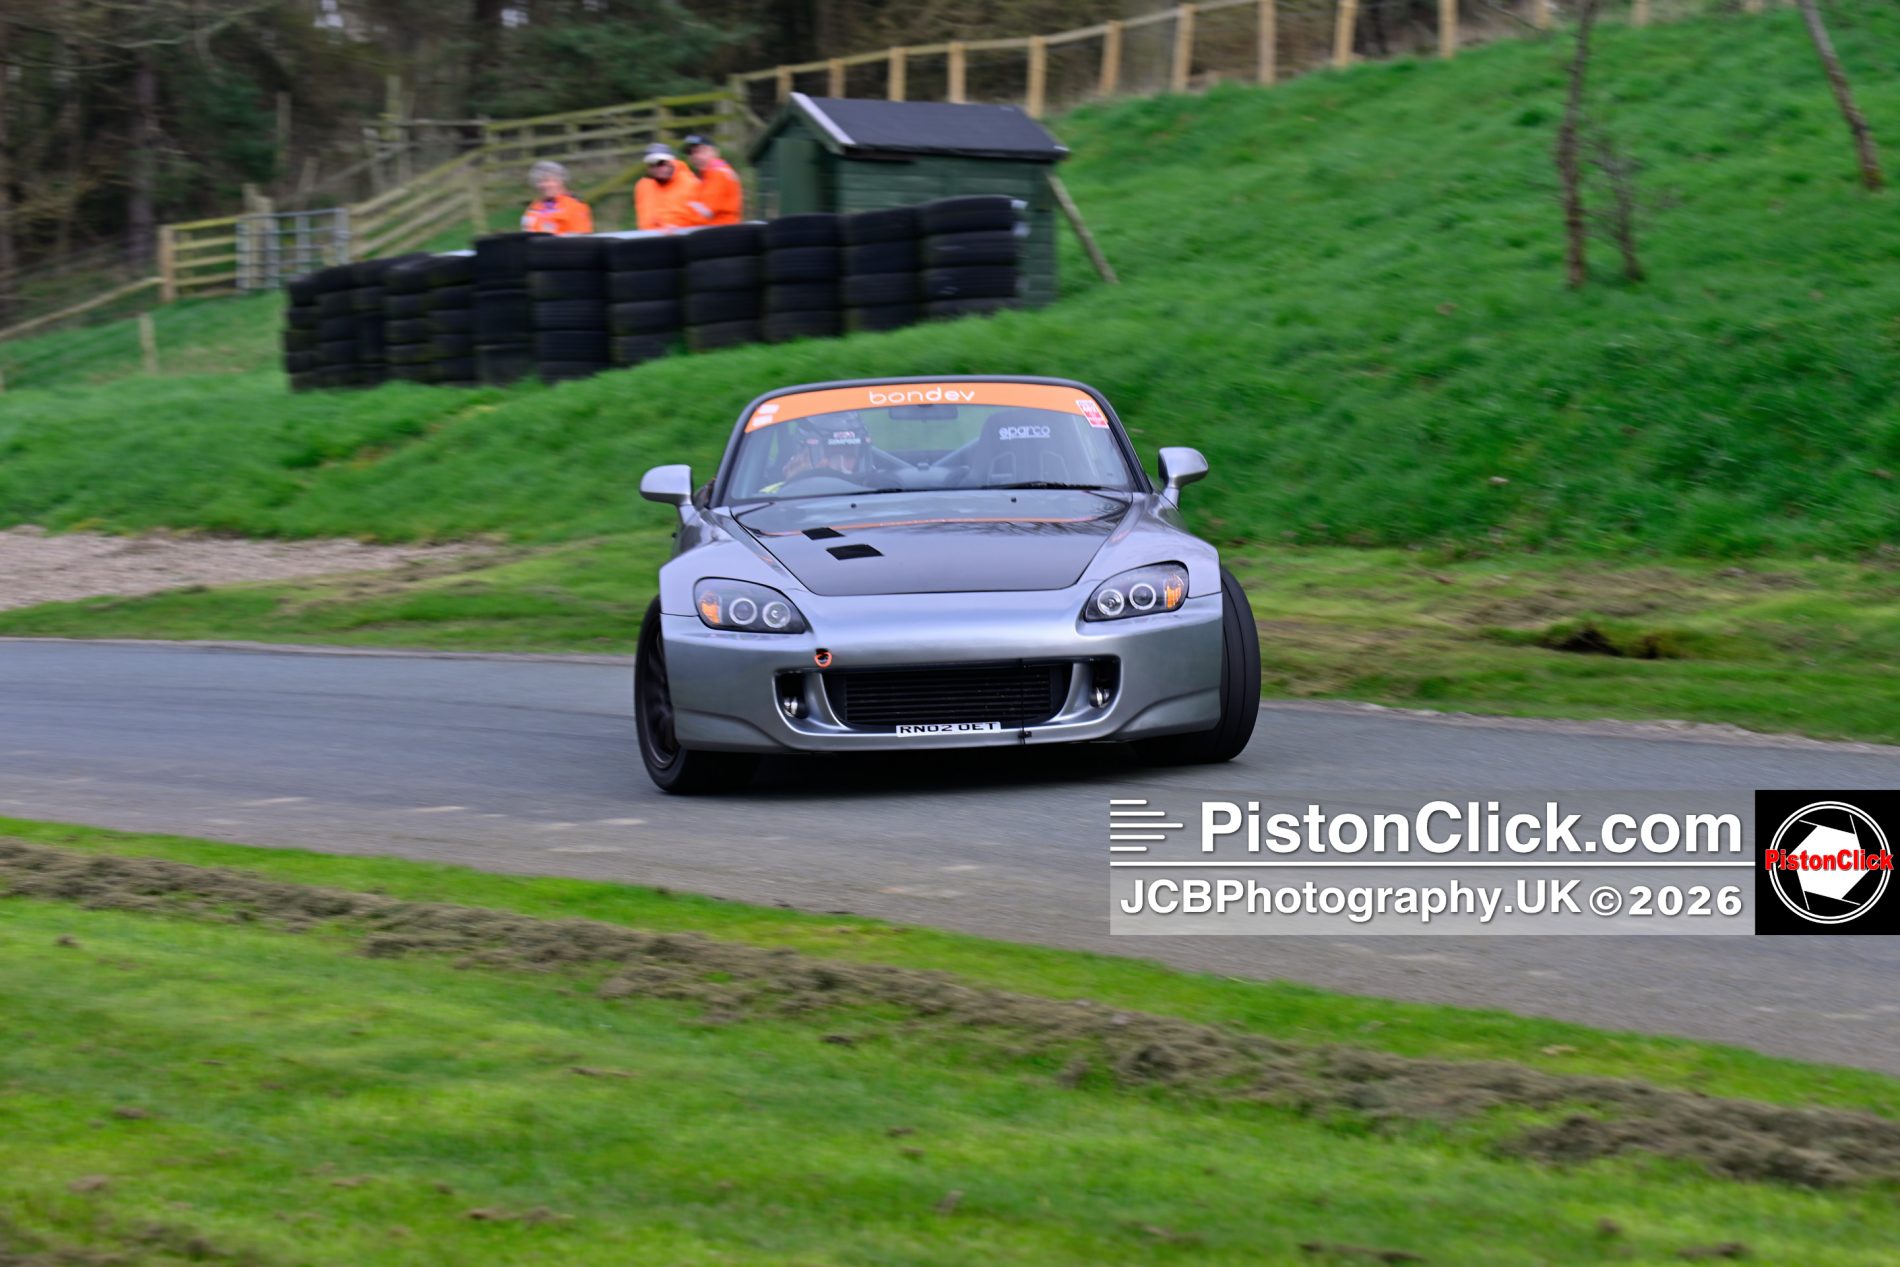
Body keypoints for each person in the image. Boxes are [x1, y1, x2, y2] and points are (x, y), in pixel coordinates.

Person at [633, 143, 709, 231]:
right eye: (652, 164)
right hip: (650, 240)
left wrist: (679, 228)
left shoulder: (692, 184)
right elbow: (644, 221)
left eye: (662, 163)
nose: (659, 168)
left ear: (673, 162)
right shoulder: (643, 186)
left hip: (683, 239)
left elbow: (705, 218)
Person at [682, 134, 744, 226]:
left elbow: (705, 211)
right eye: (690, 153)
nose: (694, 156)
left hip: (720, 231)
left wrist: (680, 222)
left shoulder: (717, 174)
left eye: (699, 151)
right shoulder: (713, 173)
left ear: (714, 152)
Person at [519, 161, 593, 235]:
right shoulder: (534, 207)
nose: (544, 185)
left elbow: (581, 239)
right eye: (539, 181)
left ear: (561, 181)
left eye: (548, 180)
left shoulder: (575, 206)